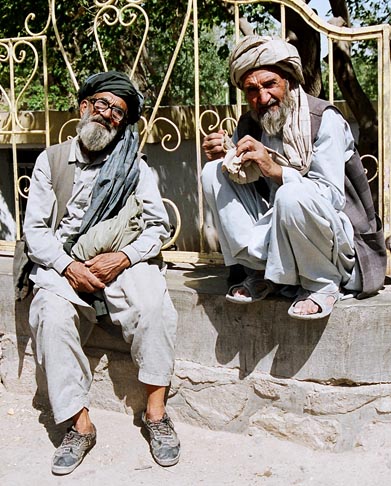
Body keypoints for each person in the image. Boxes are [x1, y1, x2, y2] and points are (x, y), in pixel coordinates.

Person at [23, 70, 180, 474]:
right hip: (66, 260)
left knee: (154, 305)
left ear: (124, 123)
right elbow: (36, 231)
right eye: (102, 104)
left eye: (119, 111)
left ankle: (156, 415)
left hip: (120, 259)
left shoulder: (134, 167)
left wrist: (124, 258)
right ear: (84, 107)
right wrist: (67, 265)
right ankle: (80, 425)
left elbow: (159, 226)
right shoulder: (51, 160)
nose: (108, 114)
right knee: (50, 315)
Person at [202, 35, 386, 319]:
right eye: (251, 90)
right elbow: (244, 175)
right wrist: (225, 156)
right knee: (212, 173)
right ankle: (261, 272)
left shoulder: (324, 119)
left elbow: (332, 198)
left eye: (269, 84)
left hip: (335, 242)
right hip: (278, 230)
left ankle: (321, 284)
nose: (262, 98)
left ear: (289, 81)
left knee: (291, 194)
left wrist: (276, 170)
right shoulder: (251, 122)